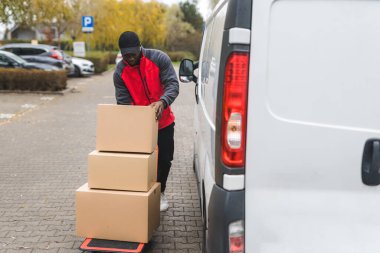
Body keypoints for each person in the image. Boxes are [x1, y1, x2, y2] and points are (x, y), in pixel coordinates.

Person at [113, 31, 179, 212]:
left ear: (140, 47)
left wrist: (162, 101)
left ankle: (160, 192)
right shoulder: (120, 72)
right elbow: (123, 101)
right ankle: (141, 195)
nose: (130, 58)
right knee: (142, 161)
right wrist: (137, 118)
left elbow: (172, 84)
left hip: (164, 121)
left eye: (133, 54)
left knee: (164, 160)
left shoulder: (159, 59)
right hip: (139, 125)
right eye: (126, 55)